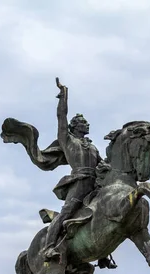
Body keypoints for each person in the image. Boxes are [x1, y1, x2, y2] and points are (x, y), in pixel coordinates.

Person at [43, 79, 102, 261]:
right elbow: (62, 116)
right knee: (66, 213)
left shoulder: (92, 147)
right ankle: (49, 246)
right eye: (83, 123)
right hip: (79, 183)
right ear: (75, 126)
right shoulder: (68, 140)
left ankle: (103, 253)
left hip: (95, 184)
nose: (87, 125)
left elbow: (101, 164)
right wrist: (63, 95)